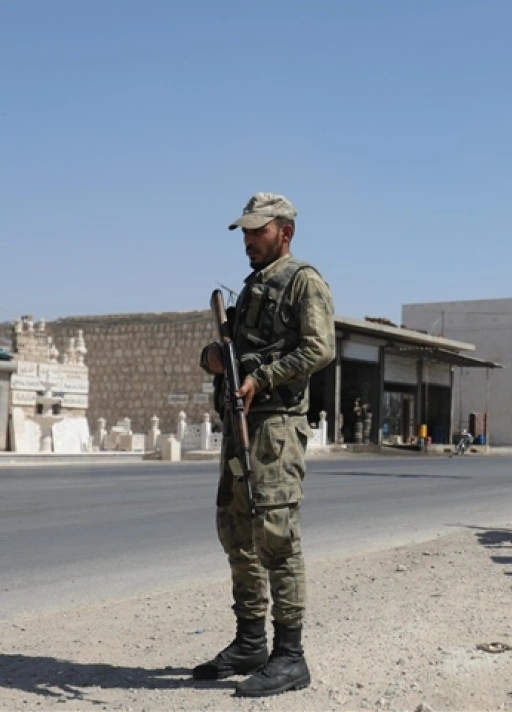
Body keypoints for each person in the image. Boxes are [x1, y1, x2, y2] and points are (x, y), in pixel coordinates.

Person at [193, 191, 335, 698]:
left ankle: (290, 657)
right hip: (240, 424)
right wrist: (214, 358)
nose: (249, 240)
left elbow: (320, 347)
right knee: (235, 531)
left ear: (284, 232)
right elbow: (234, 352)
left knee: (276, 535)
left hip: (275, 427)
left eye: (259, 231)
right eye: (246, 232)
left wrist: (263, 377)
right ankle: (250, 641)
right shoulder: (253, 286)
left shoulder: (303, 281)